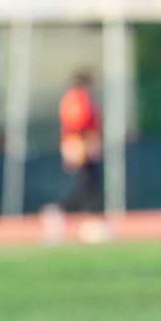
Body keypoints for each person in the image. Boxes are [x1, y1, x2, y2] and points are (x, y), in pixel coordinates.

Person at [57, 71, 103, 214]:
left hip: (79, 141)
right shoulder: (78, 97)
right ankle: (62, 210)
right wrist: (87, 143)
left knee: (87, 181)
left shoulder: (74, 97)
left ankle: (66, 211)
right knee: (87, 181)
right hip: (80, 142)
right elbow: (79, 121)